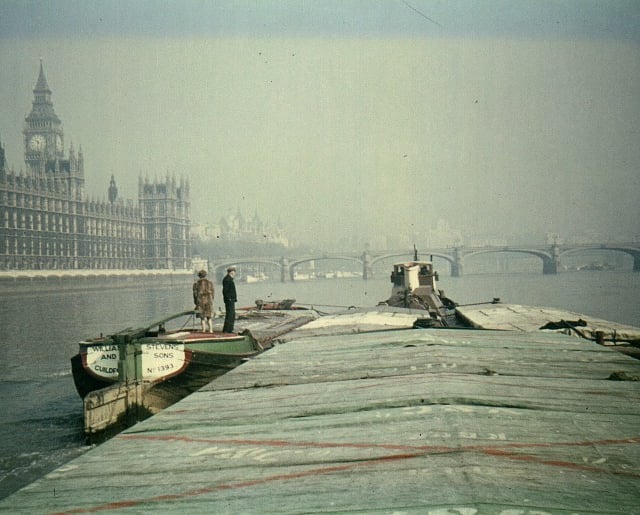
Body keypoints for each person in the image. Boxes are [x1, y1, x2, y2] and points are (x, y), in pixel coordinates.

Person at [222, 266, 237, 333]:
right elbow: (225, 291)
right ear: (231, 272)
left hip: (231, 299)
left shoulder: (229, 279)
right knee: (230, 315)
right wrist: (229, 298)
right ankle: (227, 330)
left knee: (232, 315)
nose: (235, 273)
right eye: (234, 272)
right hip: (229, 300)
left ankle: (230, 329)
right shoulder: (227, 280)